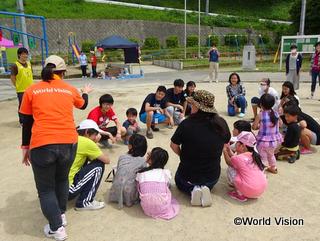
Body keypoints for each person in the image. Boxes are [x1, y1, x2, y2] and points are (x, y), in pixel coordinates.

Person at [19, 55, 92, 240]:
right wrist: (85, 92)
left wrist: (25, 147)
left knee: (45, 190)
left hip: (42, 145)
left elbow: (26, 121)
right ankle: (60, 215)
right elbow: (83, 105)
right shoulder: (69, 89)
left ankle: (56, 228)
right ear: (63, 72)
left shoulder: (32, 90)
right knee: (61, 180)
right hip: (69, 143)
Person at [170, 90, 231, 207]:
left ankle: (193, 190)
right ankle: (203, 188)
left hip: (186, 177)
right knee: (206, 181)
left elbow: (173, 145)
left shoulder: (186, 124)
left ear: (198, 107)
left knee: (180, 180)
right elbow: (226, 142)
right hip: (212, 178)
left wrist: (183, 155)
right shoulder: (221, 123)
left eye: (192, 104)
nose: (190, 107)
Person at [68, 119, 110, 211]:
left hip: (55, 188)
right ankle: (84, 202)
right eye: (95, 135)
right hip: (68, 191)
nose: (96, 138)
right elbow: (107, 160)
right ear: (87, 132)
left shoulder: (70, 137)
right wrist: (94, 143)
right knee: (99, 165)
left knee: (87, 158)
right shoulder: (87, 142)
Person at [136, 147, 179, 220]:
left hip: (146, 209)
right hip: (163, 208)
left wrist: (148, 160)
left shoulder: (141, 173)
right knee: (166, 187)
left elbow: (138, 187)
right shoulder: (166, 173)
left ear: (151, 159)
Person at [223, 131, 267, 202]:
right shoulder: (254, 155)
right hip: (260, 191)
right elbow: (235, 159)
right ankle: (244, 189)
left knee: (231, 169)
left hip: (249, 191)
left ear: (243, 146)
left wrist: (224, 151)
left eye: (237, 143)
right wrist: (228, 150)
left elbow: (229, 162)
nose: (235, 144)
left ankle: (240, 194)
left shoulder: (238, 158)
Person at [109, 134, 147, 208]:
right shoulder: (143, 161)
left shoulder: (122, 157)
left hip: (116, 190)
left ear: (130, 146)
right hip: (129, 193)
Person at [252, 94, 283, 174]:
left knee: (263, 158)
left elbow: (254, 127)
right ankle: (273, 167)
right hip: (275, 141)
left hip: (264, 142)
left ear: (261, 104)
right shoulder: (276, 113)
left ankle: (262, 173)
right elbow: (281, 124)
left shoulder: (260, 115)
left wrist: (259, 126)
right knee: (271, 154)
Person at [10, 47, 34, 125]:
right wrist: (17, 85)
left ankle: (31, 119)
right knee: (22, 106)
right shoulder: (15, 65)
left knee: (32, 105)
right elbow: (13, 77)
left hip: (31, 89)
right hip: (21, 90)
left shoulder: (29, 64)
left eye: (26, 54)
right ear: (19, 55)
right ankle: (22, 121)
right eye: (23, 54)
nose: (25, 56)